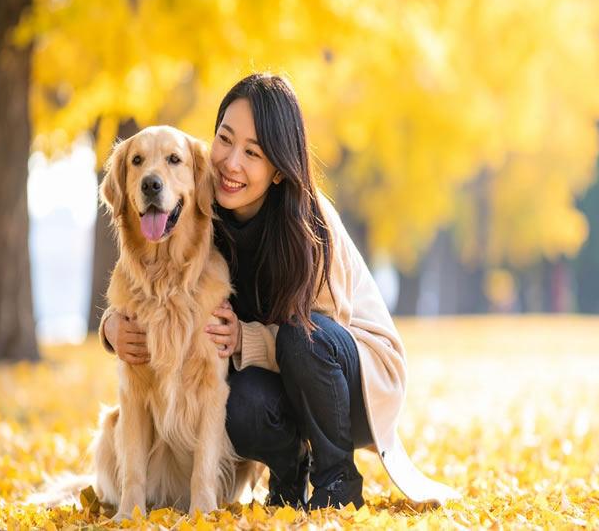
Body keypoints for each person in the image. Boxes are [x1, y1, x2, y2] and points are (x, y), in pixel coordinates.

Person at [100, 73, 459, 509]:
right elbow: (164, 299)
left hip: (355, 380)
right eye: (225, 140)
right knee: (238, 402)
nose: (231, 162)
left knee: (300, 336)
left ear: (277, 168)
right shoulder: (204, 215)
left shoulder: (309, 221)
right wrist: (111, 327)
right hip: (287, 376)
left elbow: (325, 333)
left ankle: (337, 480)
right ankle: (289, 478)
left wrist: (246, 340)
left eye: (253, 153)